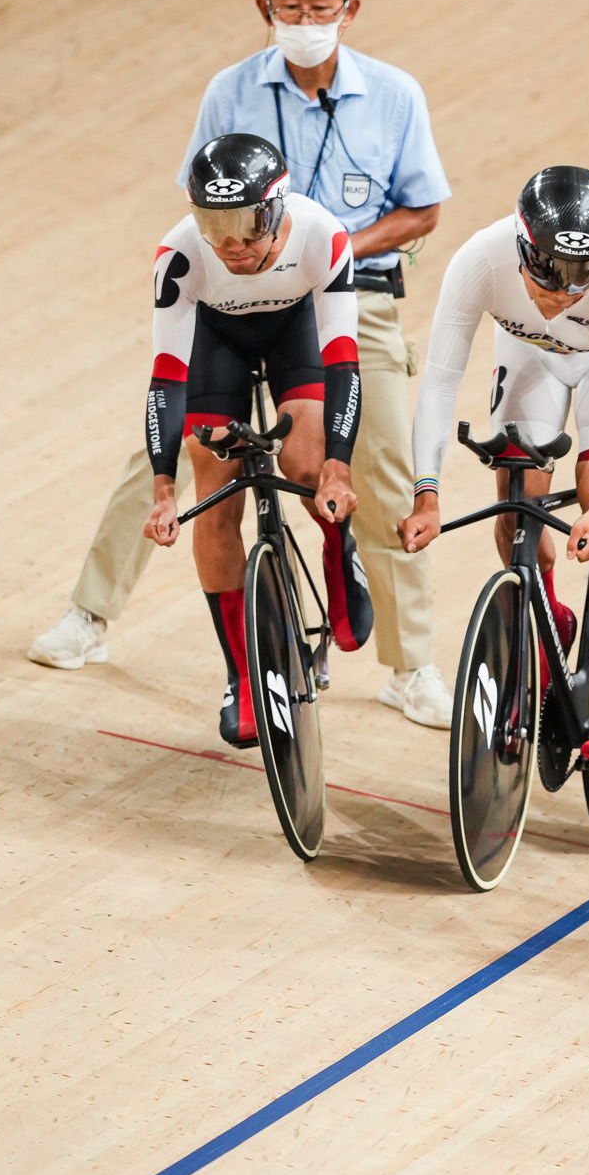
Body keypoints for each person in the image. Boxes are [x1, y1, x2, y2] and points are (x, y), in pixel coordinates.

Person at [32, 0, 454, 728]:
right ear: (265, 9)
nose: (304, 20)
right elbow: (199, 206)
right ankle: (91, 614)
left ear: (348, 12)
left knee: (379, 459)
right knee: (173, 452)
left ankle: (409, 662)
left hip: (347, 291)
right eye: (289, 7)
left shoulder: (395, 95)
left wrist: (330, 253)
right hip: (228, 295)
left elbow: (425, 209)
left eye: (319, 8)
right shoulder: (229, 92)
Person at [399, 167, 589, 766]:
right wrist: (427, 492)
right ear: (521, 245)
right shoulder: (480, 261)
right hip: (531, 360)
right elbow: (439, 384)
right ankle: (549, 628)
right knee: (520, 518)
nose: (561, 291)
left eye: (577, 279)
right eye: (546, 271)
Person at [142, 134, 371, 747]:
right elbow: (166, 380)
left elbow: (344, 363)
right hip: (215, 344)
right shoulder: (182, 254)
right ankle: (242, 675)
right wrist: (164, 487)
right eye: (214, 226)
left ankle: (335, 542)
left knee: (303, 458)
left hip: (294, 331)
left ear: (275, 210)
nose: (231, 245)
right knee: (215, 501)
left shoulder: (324, 236)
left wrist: (338, 469)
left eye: (244, 226)